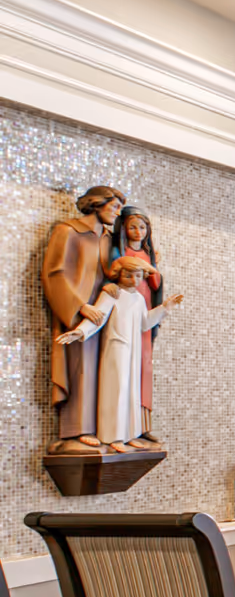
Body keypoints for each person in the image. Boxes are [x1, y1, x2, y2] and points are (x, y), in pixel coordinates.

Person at [55, 256, 182, 452]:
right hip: (115, 349)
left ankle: (129, 434)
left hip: (132, 350)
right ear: (118, 274)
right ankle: (113, 436)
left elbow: (145, 322)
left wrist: (165, 308)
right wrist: (79, 332)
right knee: (116, 391)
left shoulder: (138, 298)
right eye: (129, 274)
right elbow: (98, 317)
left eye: (138, 275)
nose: (134, 279)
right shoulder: (111, 295)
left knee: (131, 391)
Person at [41, 185, 125, 454]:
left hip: (104, 313)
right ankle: (75, 431)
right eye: (114, 207)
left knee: (105, 370)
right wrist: (80, 306)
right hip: (78, 314)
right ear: (96, 205)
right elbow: (54, 273)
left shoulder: (108, 238)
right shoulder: (68, 231)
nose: (118, 213)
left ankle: (106, 428)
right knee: (81, 368)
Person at [111, 206, 166, 448]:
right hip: (123, 314)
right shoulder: (118, 252)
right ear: (123, 229)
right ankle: (121, 426)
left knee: (144, 365)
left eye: (142, 227)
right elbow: (110, 275)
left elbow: (154, 283)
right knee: (123, 368)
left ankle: (143, 424)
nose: (138, 231)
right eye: (132, 226)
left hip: (144, 313)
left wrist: (153, 266)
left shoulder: (147, 254)